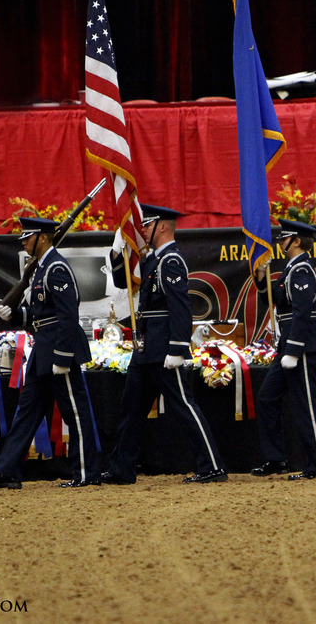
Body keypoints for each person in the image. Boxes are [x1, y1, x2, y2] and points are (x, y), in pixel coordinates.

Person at [101, 204, 227, 484]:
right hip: (146, 348)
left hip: (164, 348)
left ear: (163, 226)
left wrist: (178, 348)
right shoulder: (152, 260)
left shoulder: (171, 260)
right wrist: (116, 251)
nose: (142, 229)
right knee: (130, 409)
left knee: (183, 405)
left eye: (146, 225)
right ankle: (122, 468)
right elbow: (123, 281)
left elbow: (180, 307)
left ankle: (212, 467)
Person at [0, 217, 100, 489]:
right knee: (26, 412)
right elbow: (41, 314)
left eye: (27, 237)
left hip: (57, 349)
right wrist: (16, 315)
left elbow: (68, 314)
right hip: (43, 347)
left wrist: (63, 356)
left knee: (75, 414)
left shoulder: (55, 267)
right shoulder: (41, 269)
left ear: (43, 237)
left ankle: (85, 472)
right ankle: (6, 471)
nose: (23, 241)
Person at [250, 219, 316, 480]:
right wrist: (262, 281)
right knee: (267, 398)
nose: (280, 242)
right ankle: (275, 458)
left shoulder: (302, 269)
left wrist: (293, 351)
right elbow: (276, 301)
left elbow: (303, 313)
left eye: (284, 238)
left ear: (296, 241)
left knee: (305, 406)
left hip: (301, 346)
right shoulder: (291, 269)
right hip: (289, 346)